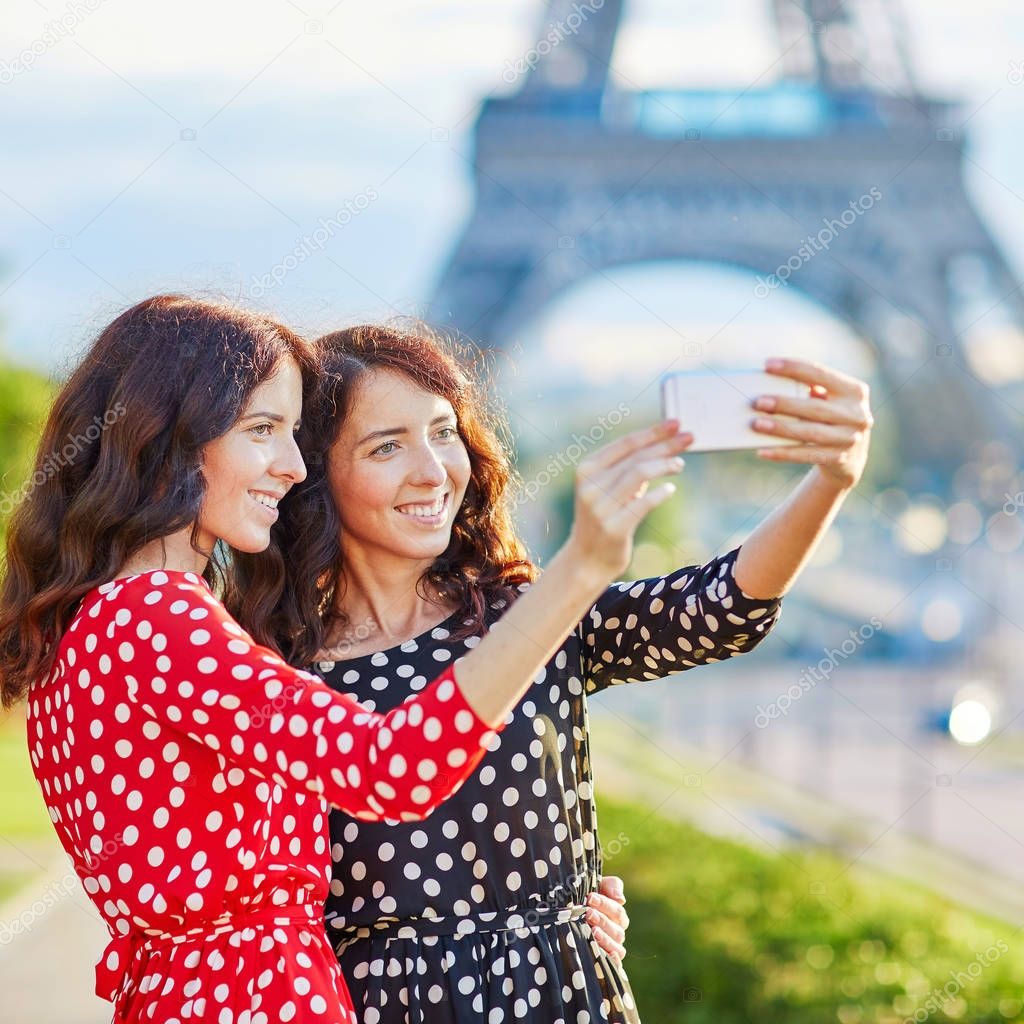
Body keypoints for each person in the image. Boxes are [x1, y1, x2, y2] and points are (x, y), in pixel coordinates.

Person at [0, 296, 690, 1024]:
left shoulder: (96, 619)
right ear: (167, 436)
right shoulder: (157, 617)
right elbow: (389, 766)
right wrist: (576, 573)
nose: (295, 467)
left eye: (294, 434)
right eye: (263, 430)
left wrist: (542, 917)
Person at [247, 322, 872, 1022]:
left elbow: (716, 610)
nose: (433, 470)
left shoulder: (525, 617)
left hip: (560, 997)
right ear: (315, 473)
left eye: (444, 432)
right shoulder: (271, 670)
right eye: (387, 446)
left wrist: (830, 481)